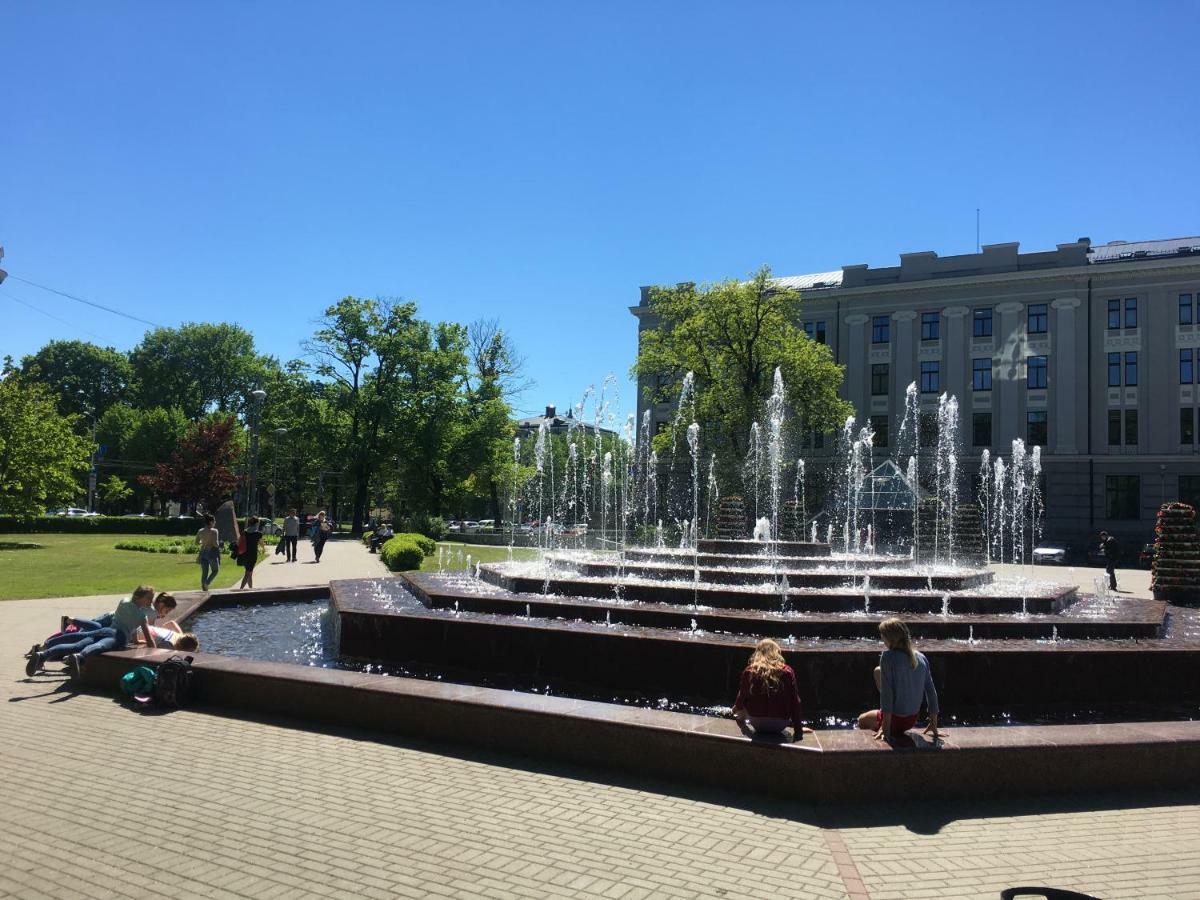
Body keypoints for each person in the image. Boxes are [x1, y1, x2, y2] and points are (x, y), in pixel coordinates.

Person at [26, 585, 158, 677]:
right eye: (149, 598)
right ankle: (80, 657)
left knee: (77, 642)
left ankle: (42, 655)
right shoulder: (142, 617)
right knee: (100, 645)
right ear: (140, 597)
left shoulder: (123, 601)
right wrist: (155, 654)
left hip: (107, 630)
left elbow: (132, 625)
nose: (151, 601)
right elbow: (148, 637)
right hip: (119, 637)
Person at [857, 617, 940, 741]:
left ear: (890, 638)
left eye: (882, 636)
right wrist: (933, 723)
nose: (882, 639)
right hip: (911, 719)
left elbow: (887, 695)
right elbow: (931, 692)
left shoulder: (887, 657)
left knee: (861, 720)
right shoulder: (921, 657)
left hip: (894, 721)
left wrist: (885, 729)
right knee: (878, 671)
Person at [731, 638, 808, 741]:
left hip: (756, 721)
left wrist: (736, 709)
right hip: (781, 723)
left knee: (742, 701)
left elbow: (742, 697)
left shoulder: (750, 670)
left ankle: (741, 723)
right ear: (776, 652)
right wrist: (798, 730)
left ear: (758, 653)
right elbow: (795, 702)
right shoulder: (787, 671)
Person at [195, 514, 222, 591]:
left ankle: (204, 588)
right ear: (211, 522)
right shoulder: (214, 531)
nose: (215, 522)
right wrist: (220, 544)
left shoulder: (200, 531)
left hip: (203, 553)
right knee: (215, 570)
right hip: (211, 553)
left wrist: (203, 542)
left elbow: (197, 542)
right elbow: (215, 544)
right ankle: (207, 583)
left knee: (204, 572)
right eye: (214, 521)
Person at [237, 516, 265, 589]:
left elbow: (238, 542)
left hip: (243, 554)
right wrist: (263, 549)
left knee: (249, 572)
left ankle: (251, 589)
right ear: (256, 523)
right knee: (248, 573)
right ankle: (240, 589)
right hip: (252, 555)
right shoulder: (258, 534)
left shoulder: (244, 532)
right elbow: (262, 544)